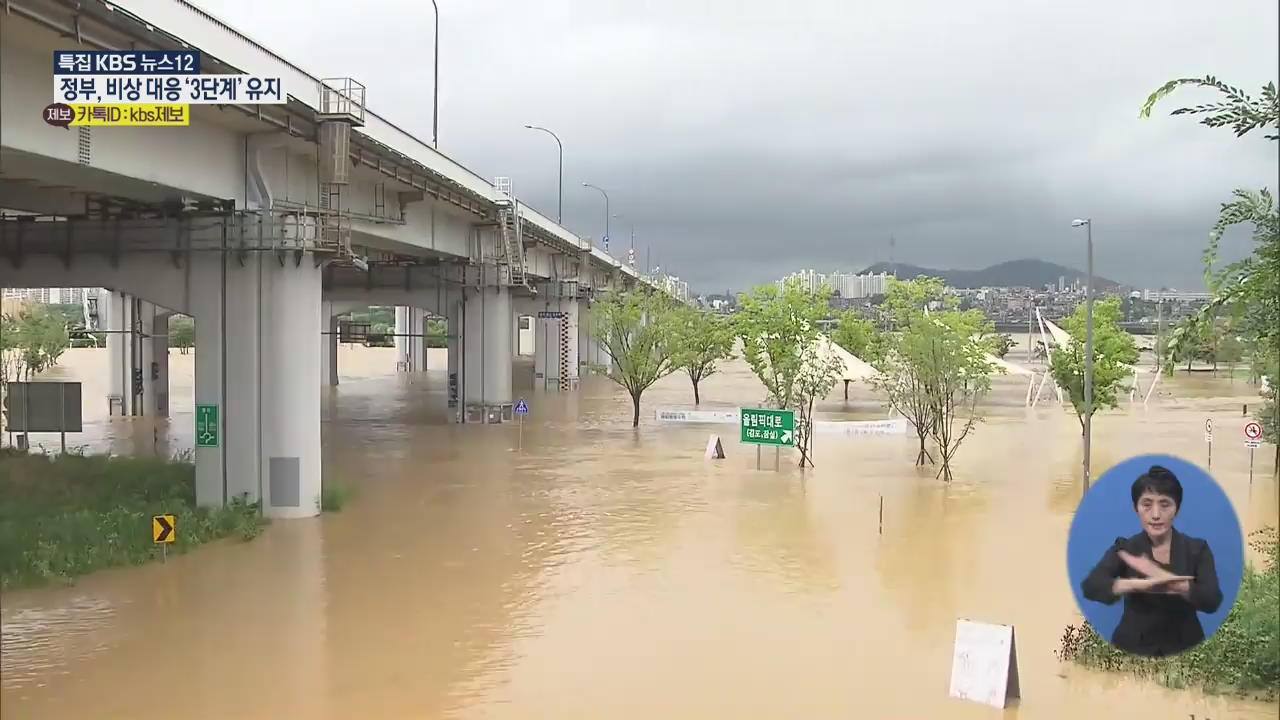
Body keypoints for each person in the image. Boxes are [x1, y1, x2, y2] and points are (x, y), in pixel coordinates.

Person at [1080, 465, 1223, 657]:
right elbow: (1092, 586)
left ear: (1176, 509)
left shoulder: (1197, 549)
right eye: (1147, 504)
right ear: (1136, 508)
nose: (1156, 514)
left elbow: (1212, 600)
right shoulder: (1125, 549)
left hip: (1186, 651)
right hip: (1131, 649)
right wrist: (1134, 585)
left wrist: (1173, 582)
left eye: (1165, 505)